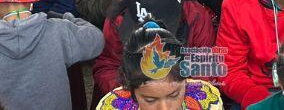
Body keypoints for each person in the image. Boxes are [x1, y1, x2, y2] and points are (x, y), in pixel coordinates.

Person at [93, 22, 222, 109]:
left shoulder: (206, 100)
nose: (164, 108)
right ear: (129, 88)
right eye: (150, 100)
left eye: (173, 95)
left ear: (185, 80)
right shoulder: (112, 106)